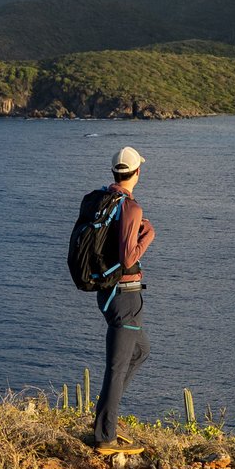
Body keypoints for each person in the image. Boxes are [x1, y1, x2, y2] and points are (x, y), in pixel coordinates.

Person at [89, 141, 154, 446]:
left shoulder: (104, 199)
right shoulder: (130, 207)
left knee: (140, 351)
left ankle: (106, 416)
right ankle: (105, 436)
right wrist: (148, 236)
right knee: (116, 367)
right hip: (125, 295)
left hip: (107, 293)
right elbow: (128, 258)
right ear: (137, 172)